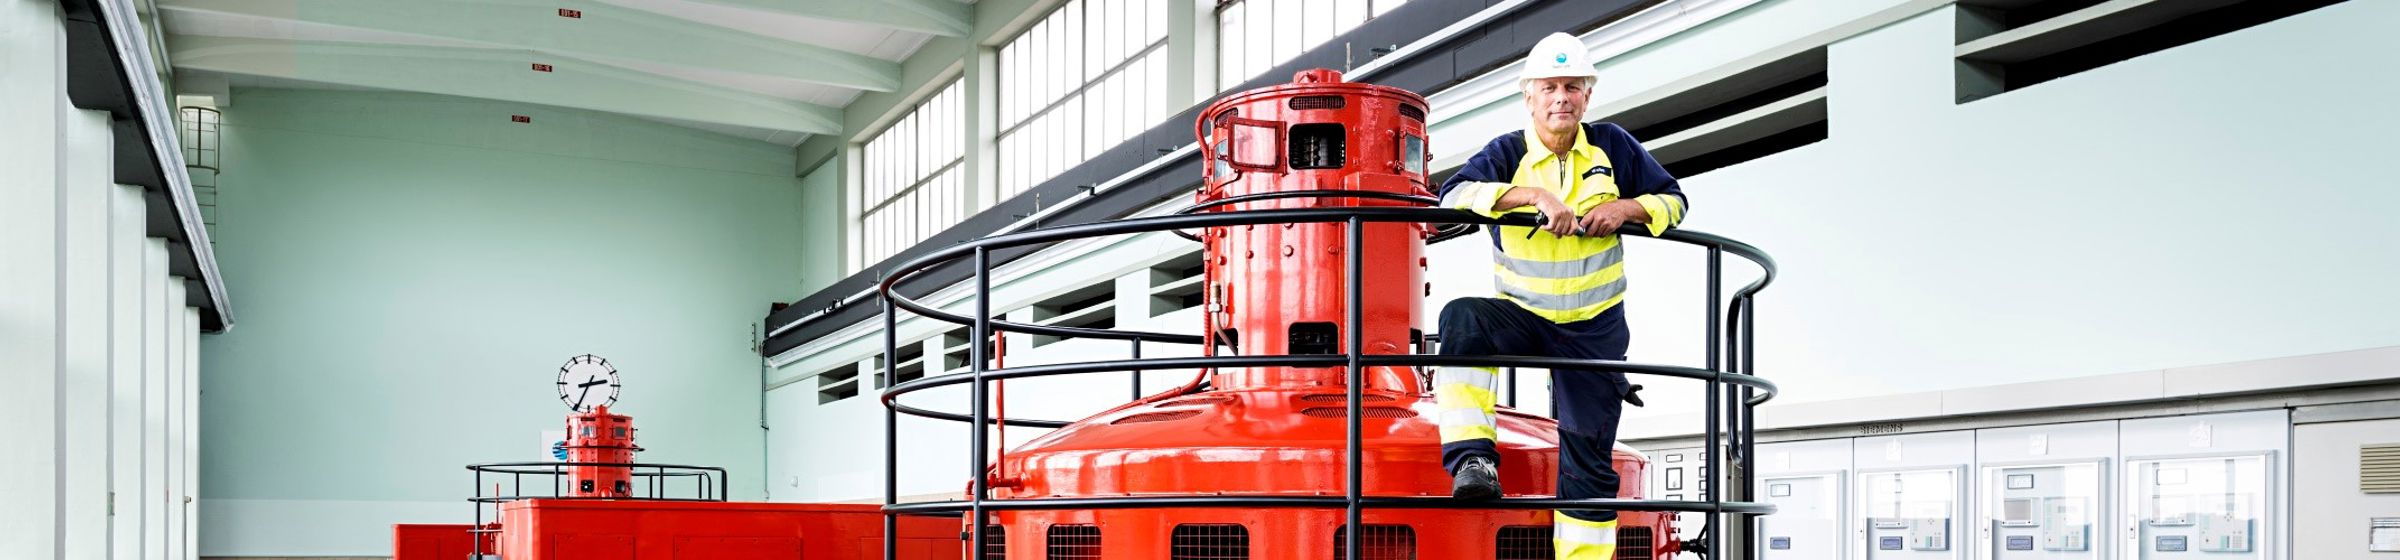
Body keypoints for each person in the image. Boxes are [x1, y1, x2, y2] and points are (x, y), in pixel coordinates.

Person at [1430, 31, 1688, 559]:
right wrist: (1530, 196)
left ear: (1587, 96)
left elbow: (1675, 201)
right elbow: (1450, 196)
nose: (1560, 97)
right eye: (1549, 87)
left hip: (1594, 326)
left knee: (1589, 464)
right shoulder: (1507, 153)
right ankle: (1473, 462)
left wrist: (1626, 209)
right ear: (1529, 96)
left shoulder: (1614, 146)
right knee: (1463, 319)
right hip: (1525, 316)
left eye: (1572, 86)